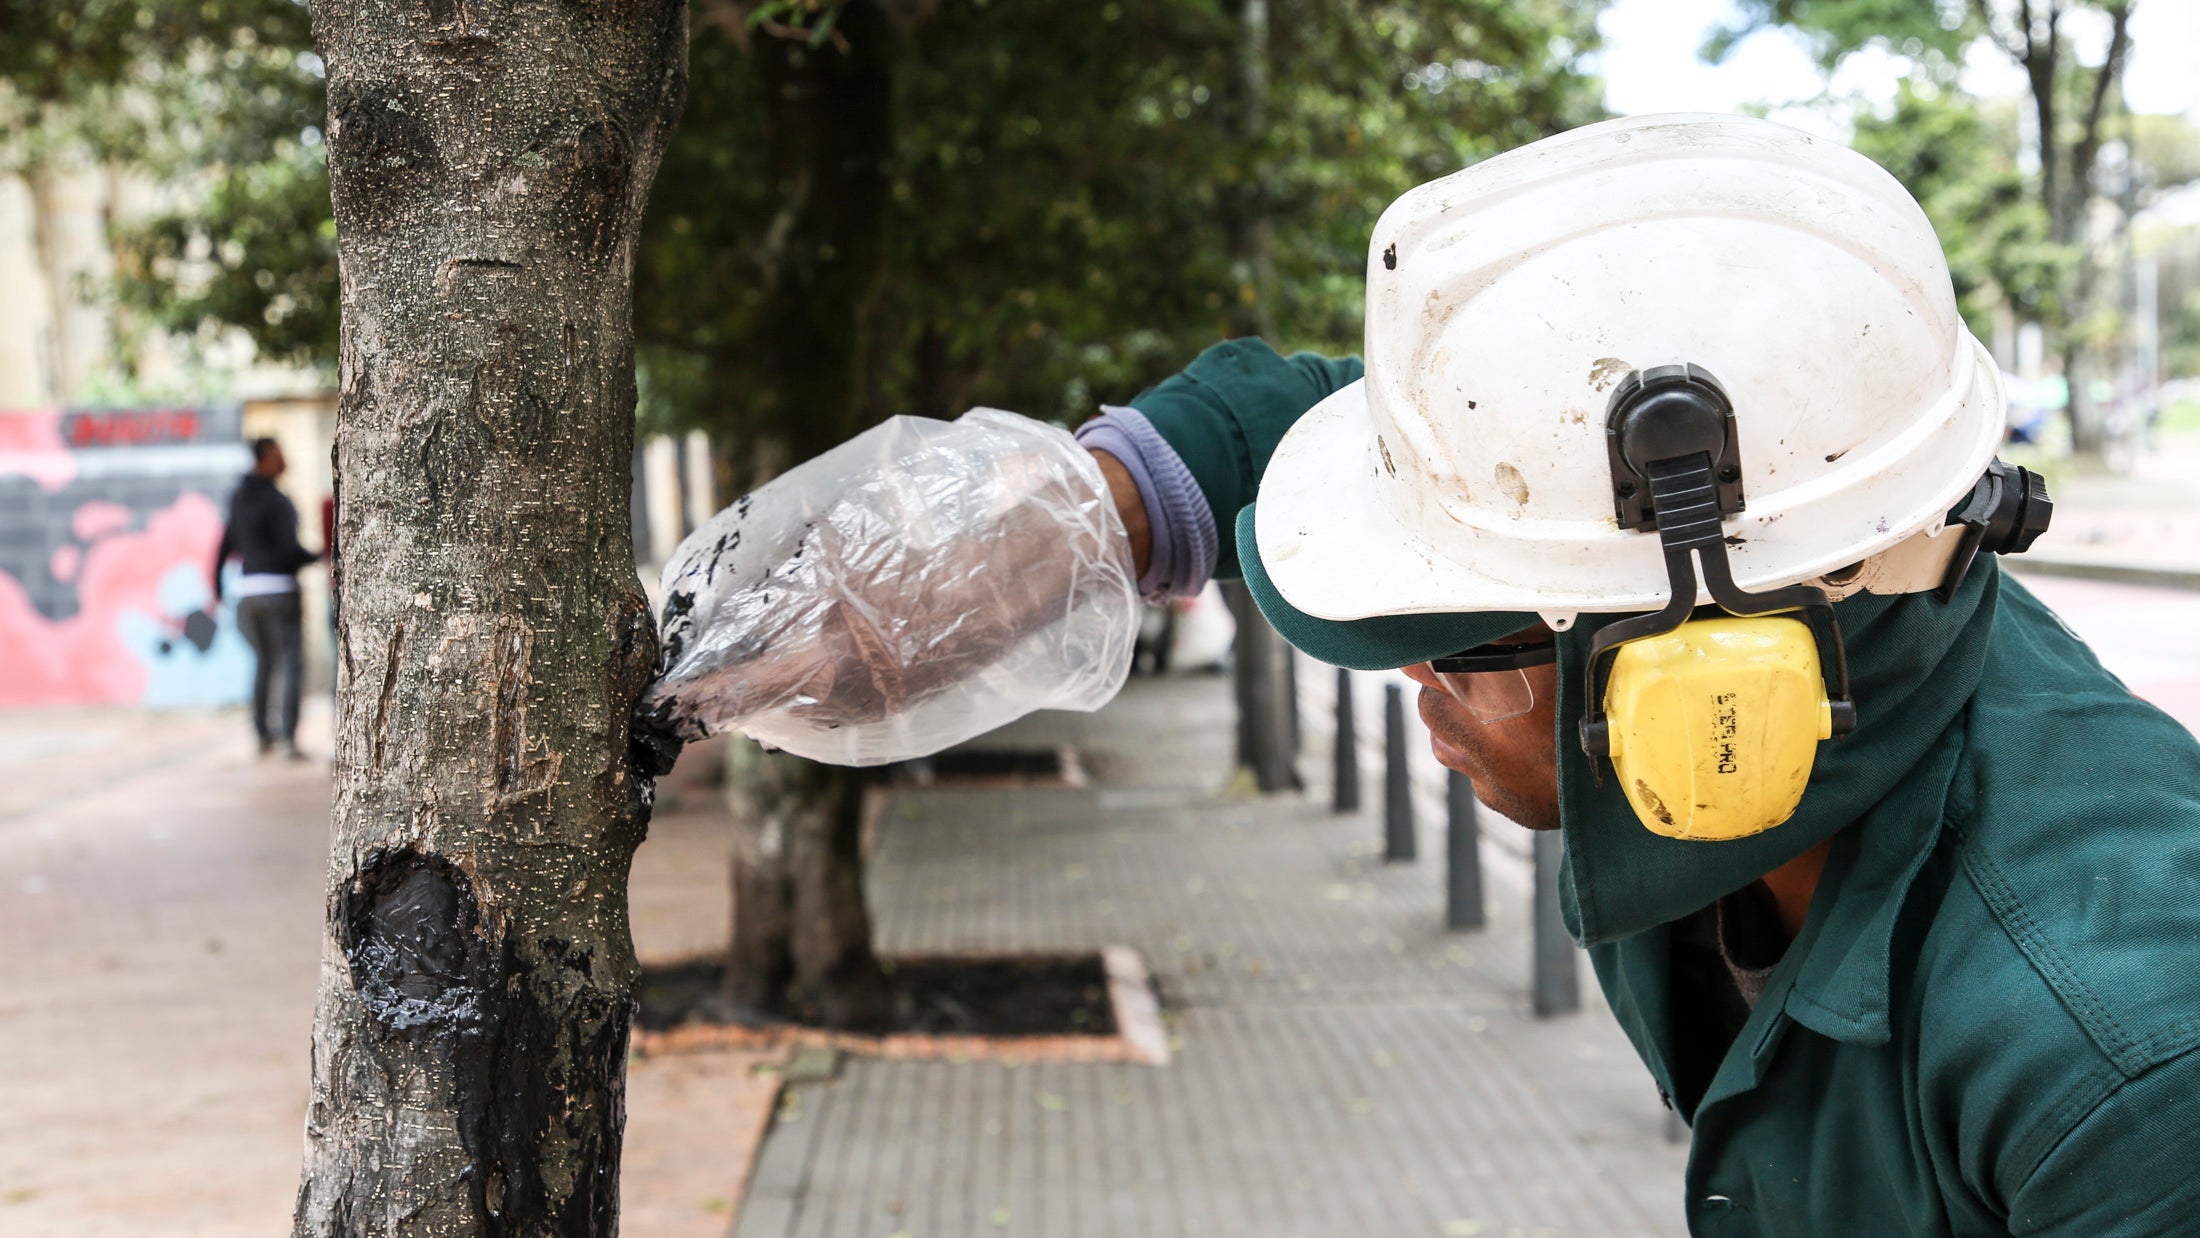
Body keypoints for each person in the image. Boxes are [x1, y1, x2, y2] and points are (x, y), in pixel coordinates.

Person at [646, 114, 2200, 1235]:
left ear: (1706, 685)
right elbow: (1350, 427)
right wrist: (1061, 524)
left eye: (1460, 646)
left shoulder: (2121, 1070)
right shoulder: (1837, 608)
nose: (1421, 694)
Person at [214, 437, 320, 758]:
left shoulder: (238, 497)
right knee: (289, 664)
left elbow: (225, 543)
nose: (285, 460)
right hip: (280, 591)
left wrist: (217, 586)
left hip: (248, 593)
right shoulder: (277, 500)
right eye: (279, 455)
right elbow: (289, 550)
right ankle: (288, 739)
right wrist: (316, 557)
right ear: (264, 459)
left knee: (263, 663)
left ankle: (262, 735)